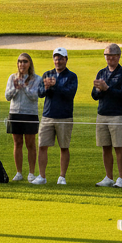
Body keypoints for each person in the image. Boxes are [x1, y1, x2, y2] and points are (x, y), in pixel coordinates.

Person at [91, 44, 122, 187]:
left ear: (119, 56)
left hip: (118, 115)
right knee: (105, 147)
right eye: (108, 55)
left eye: (113, 55)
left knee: (118, 147)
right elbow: (94, 95)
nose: (110, 58)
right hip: (102, 114)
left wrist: (107, 89)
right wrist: (99, 90)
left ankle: (121, 179)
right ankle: (109, 177)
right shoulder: (101, 73)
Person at [35, 48, 78, 185]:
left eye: (60, 58)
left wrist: (56, 85)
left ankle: (62, 177)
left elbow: (70, 94)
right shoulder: (47, 74)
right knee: (42, 146)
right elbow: (40, 93)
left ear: (66, 59)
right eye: (56, 58)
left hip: (64, 116)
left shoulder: (71, 76)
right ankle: (42, 176)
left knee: (64, 147)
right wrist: (46, 87)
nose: (57, 61)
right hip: (48, 115)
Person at [4, 53, 41, 181]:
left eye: (25, 61)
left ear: (29, 64)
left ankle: (31, 173)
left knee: (30, 144)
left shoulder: (36, 79)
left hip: (30, 113)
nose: (22, 64)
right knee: (17, 143)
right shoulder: (12, 77)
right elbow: (7, 96)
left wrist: (24, 87)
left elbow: (35, 97)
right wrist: (15, 88)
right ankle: (19, 172)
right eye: (20, 61)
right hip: (15, 112)